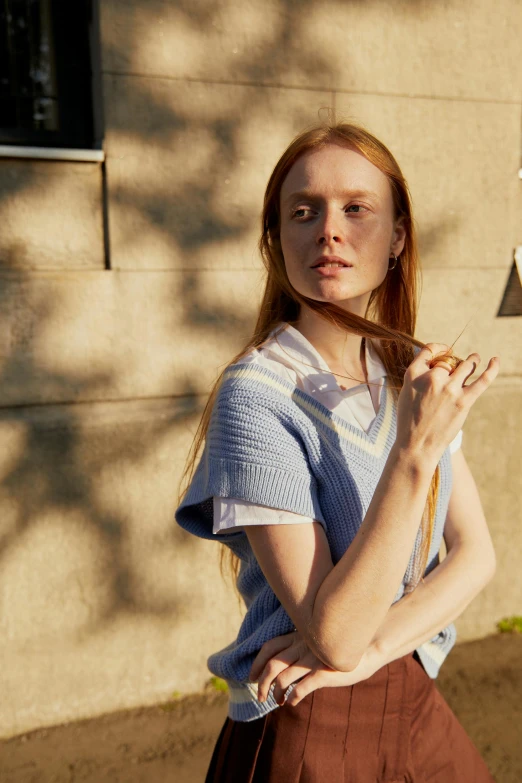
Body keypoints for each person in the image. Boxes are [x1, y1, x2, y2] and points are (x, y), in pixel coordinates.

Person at [175, 121, 499, 782]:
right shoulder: (257, 395)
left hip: (409, 689)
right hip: (310, 716)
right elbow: (334, 633)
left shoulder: (413, 370)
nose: (329, 228)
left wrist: (376, 647)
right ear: (275, 241)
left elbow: (477, 555)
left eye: (356, 207)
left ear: (398, 236)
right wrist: (413, 454)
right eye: (304, 211)